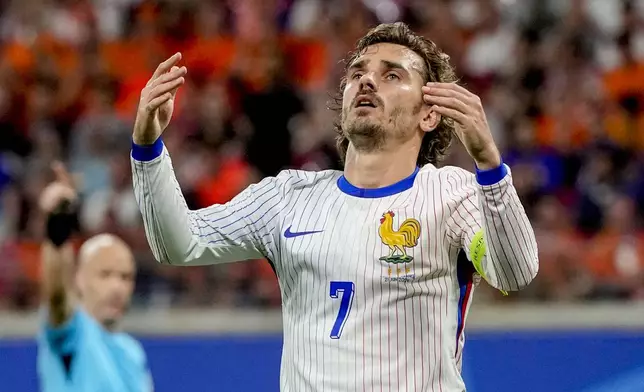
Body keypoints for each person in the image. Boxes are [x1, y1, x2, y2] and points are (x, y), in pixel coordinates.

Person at [131, 22, 538, 391]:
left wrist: (489, 164)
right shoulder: (289, 197)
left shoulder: (453, 194)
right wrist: (148, 148)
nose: (367, 82)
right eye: (357, 73)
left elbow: (515, 272)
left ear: (430, 113)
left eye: (391, 74)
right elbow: (179, 242)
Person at [37, 163, 151, 392]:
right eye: (105, 274)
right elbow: (57, 292)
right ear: (79, 278)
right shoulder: (72, 330)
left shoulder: (132, 353)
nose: (117, 287)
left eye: (125, 277)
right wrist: (59, 223)